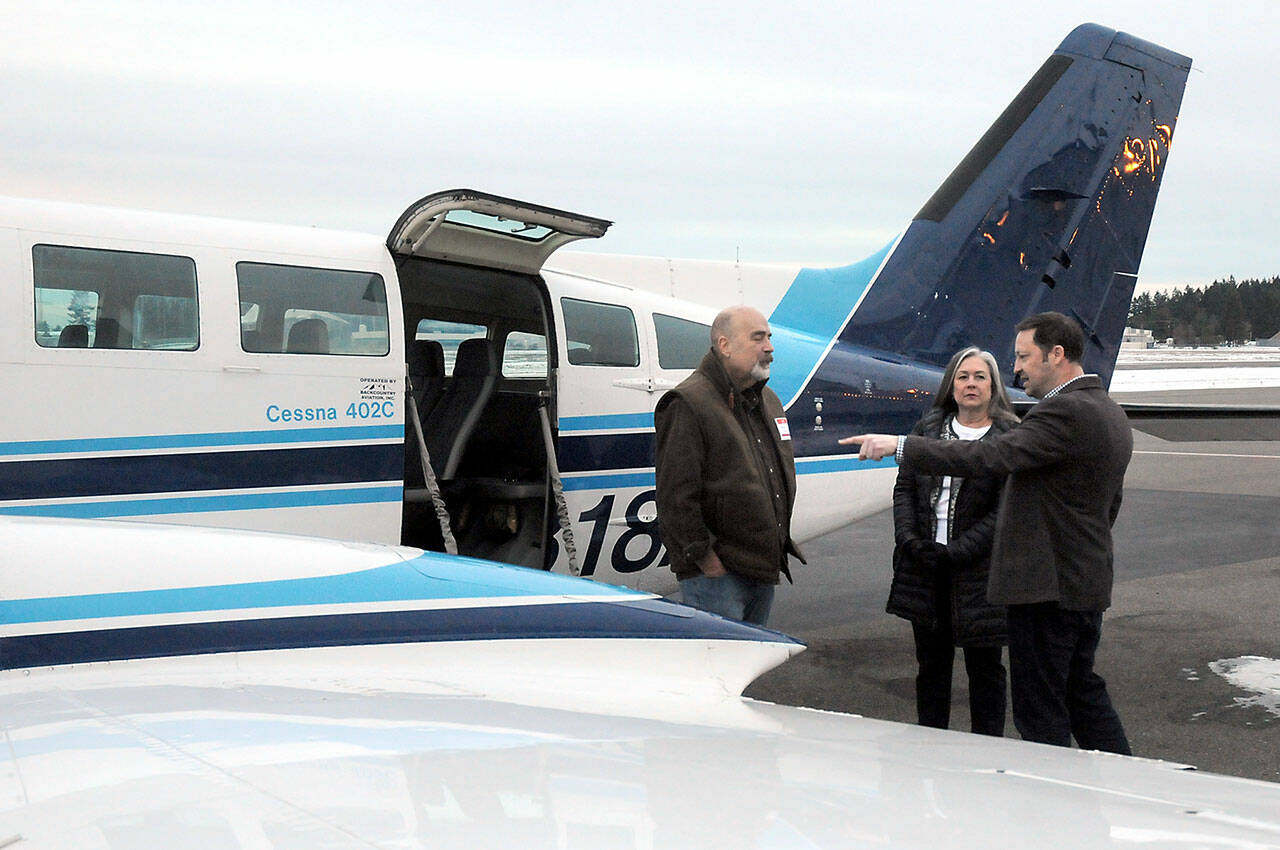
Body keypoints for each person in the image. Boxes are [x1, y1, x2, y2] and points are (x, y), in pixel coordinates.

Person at [841, 312, 1133, 754]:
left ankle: (1048, 803)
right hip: (1080, 581)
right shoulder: (1105, 408)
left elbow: (991, 456)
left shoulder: (1065, 411)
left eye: (1023, 356)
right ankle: (1125, 780)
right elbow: (1107, 505)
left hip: (1047, 589)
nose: (1017, 368)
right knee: (1079, 692)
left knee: (1041, 711)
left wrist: (899, 446)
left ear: (1056, 355)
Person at [890, 347, 1019, 736]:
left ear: (993, 386)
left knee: (985, 670)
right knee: (931, 667)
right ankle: (931, 745)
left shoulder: (1009, 435)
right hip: (927, 569)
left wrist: (960, 551)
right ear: (952, 384)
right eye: (963, 377)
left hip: (978, 573)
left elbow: (1006, 510)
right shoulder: (928, 428)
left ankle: (987, 750)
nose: (971, 384)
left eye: (980, 377)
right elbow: (905, 489)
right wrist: (911, 540)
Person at [654, 305, 804, 626]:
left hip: (761, 570)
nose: (769, 346)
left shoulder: (768, 401)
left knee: (746, 665)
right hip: (717, 577)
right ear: (725, 346)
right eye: (758, 338)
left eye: (769, 337)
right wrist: (704, 558)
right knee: (717, 668)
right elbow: (675, 498)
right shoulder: (688, 403)